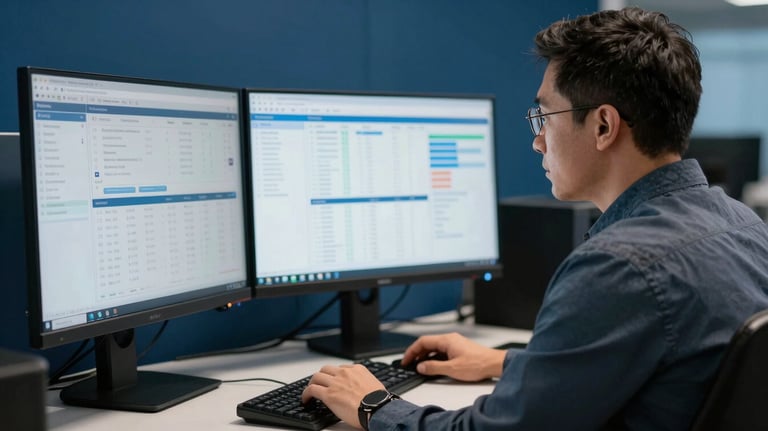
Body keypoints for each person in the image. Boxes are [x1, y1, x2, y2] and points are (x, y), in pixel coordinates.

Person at [301, 7, 768, 430]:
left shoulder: (619, 266)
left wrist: (374, 405)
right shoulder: (744, 226)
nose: (538, 140)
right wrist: (506, 362)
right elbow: (664, 363)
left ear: (603, 126)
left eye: (545, 116)